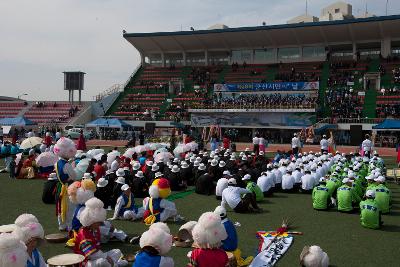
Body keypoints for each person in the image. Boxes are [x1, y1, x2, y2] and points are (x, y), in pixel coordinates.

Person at [74, 198, 128, 266]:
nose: (100, 224)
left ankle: (114, 264)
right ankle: (116, 264)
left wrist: (105, 256)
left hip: (95, 257)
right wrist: (106, 257)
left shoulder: (95, 230)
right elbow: (92, 255)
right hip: (85, 262)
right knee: (102, 261)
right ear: (92, 221)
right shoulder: (83, 234)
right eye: (98, 222)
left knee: (117, 251)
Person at [53, 137, 77, 231]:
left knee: (60, 207)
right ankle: (69, 226)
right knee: (69, 207)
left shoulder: (57, 163)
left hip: (59, 186)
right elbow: (74, 176)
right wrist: (73, 167)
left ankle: (61, 225)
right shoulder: (66, 164)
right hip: (67, 187)